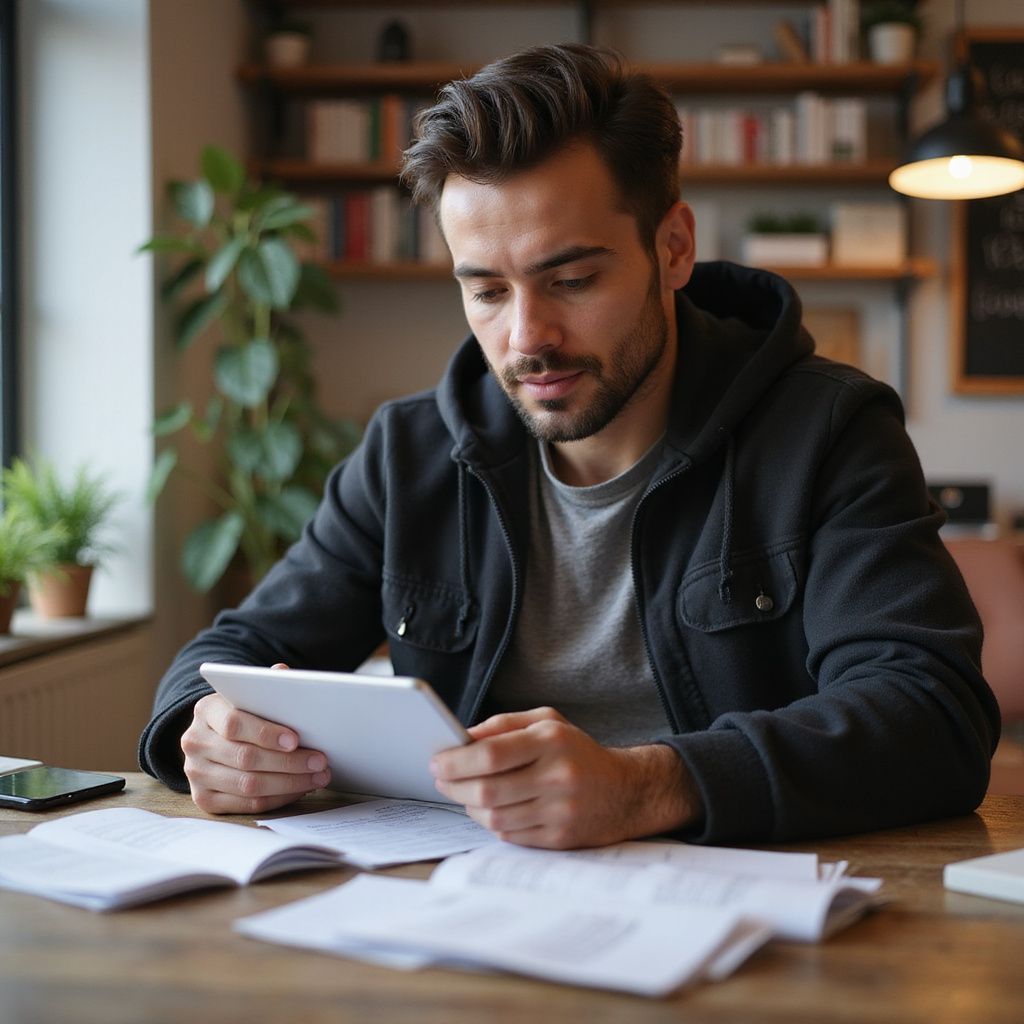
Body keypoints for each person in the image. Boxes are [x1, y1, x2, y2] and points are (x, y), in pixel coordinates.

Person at [140, 43, 999, 848]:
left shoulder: (829, 432)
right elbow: (231, 654)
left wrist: (650, 784)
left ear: (673, 248)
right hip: (453, 901)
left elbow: (932, 715)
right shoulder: (407, 452)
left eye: (573, 280)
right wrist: (204, 731)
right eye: (485, 291)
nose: (526, 338)